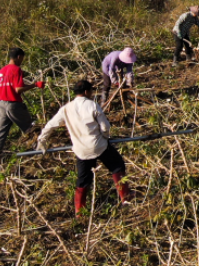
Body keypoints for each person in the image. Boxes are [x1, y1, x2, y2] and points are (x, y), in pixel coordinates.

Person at [37, 79, 133, 214]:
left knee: (83, 180)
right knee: (117, 166)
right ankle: (126, 199)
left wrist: (42, 140)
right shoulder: (92, 105)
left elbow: (51, 125)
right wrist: (105, 136)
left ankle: (80, 212)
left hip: (81, 150)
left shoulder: (65, 109)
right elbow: (105, 126)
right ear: (87, 92)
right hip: (99, 145)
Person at [0, 47, 45, 164]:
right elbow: (18, 89)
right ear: (19, 57)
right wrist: (35, 85)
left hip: (1, 105)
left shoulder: (1, 71)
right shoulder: (16, 70)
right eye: (22, 59)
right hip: (14, 105)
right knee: (30, 129)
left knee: (1, 134)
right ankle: (38, 155)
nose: (22, 61)